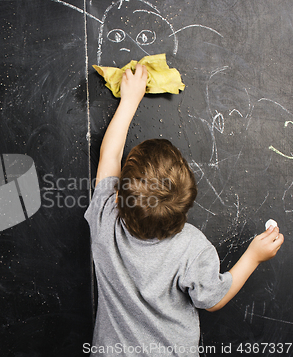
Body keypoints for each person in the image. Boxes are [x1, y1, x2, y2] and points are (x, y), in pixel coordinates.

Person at [84, 64, 284, 356]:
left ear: (118, 197)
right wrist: (253, 257)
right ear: (183, 207)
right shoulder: (192, 247)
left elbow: (110, 154)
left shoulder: (105, 220)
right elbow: (212, 300)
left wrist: (129, 101)